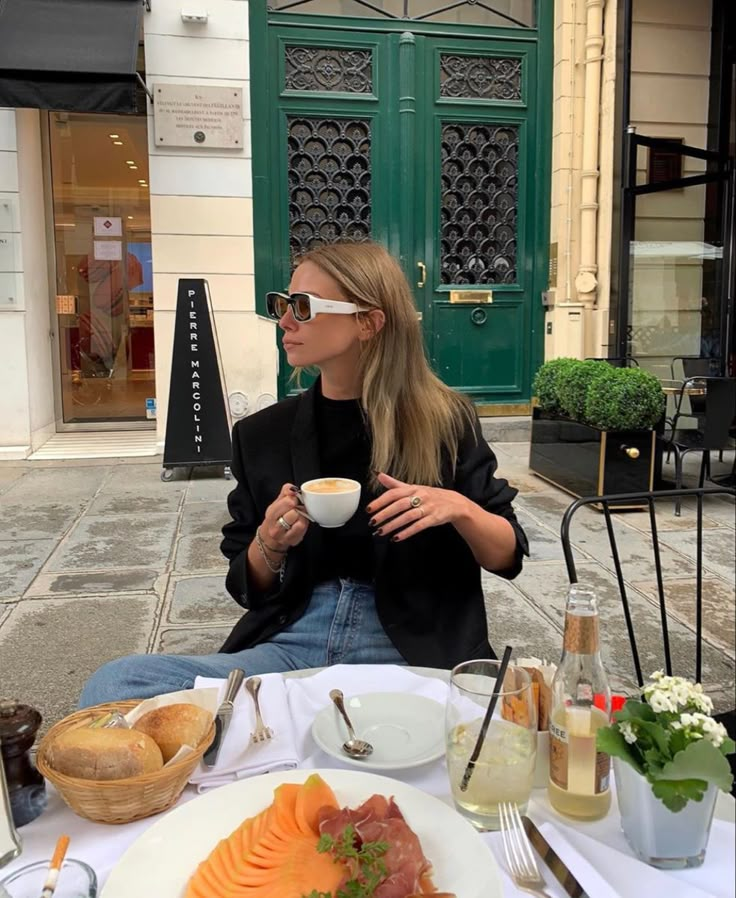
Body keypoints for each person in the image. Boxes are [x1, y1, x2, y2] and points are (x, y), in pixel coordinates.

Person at [79, 241, 528, 707]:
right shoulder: (261, 434)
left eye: (303, 307)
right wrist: (268, 544)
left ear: (369, 322)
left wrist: (458, 509)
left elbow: (507, 555)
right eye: (283, 304)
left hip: (412, 647)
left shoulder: (445, 421)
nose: (285, 320)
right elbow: (245, 583)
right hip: (294, 644)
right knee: (115, 686)